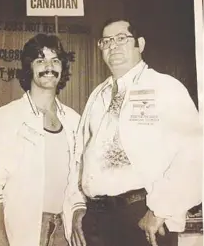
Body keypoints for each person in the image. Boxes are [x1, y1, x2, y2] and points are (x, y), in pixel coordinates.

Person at [64, 18, 202, 246]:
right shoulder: (98, 95)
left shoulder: (166, 87)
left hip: (142, 216)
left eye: (121, 39)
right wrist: (78, 205)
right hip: (96, 219)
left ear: (140, 44)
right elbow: (80, 157)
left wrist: (160, 210)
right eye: (106, 41)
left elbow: (194, 154)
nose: (113, 46)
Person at [0, 33, 80, 246]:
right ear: (29, 68)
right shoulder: (5, 117)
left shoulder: (73, 120)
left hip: (64, 230)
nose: (49, 67)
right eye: (40, 60)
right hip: (23, 231)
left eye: (55, 60)